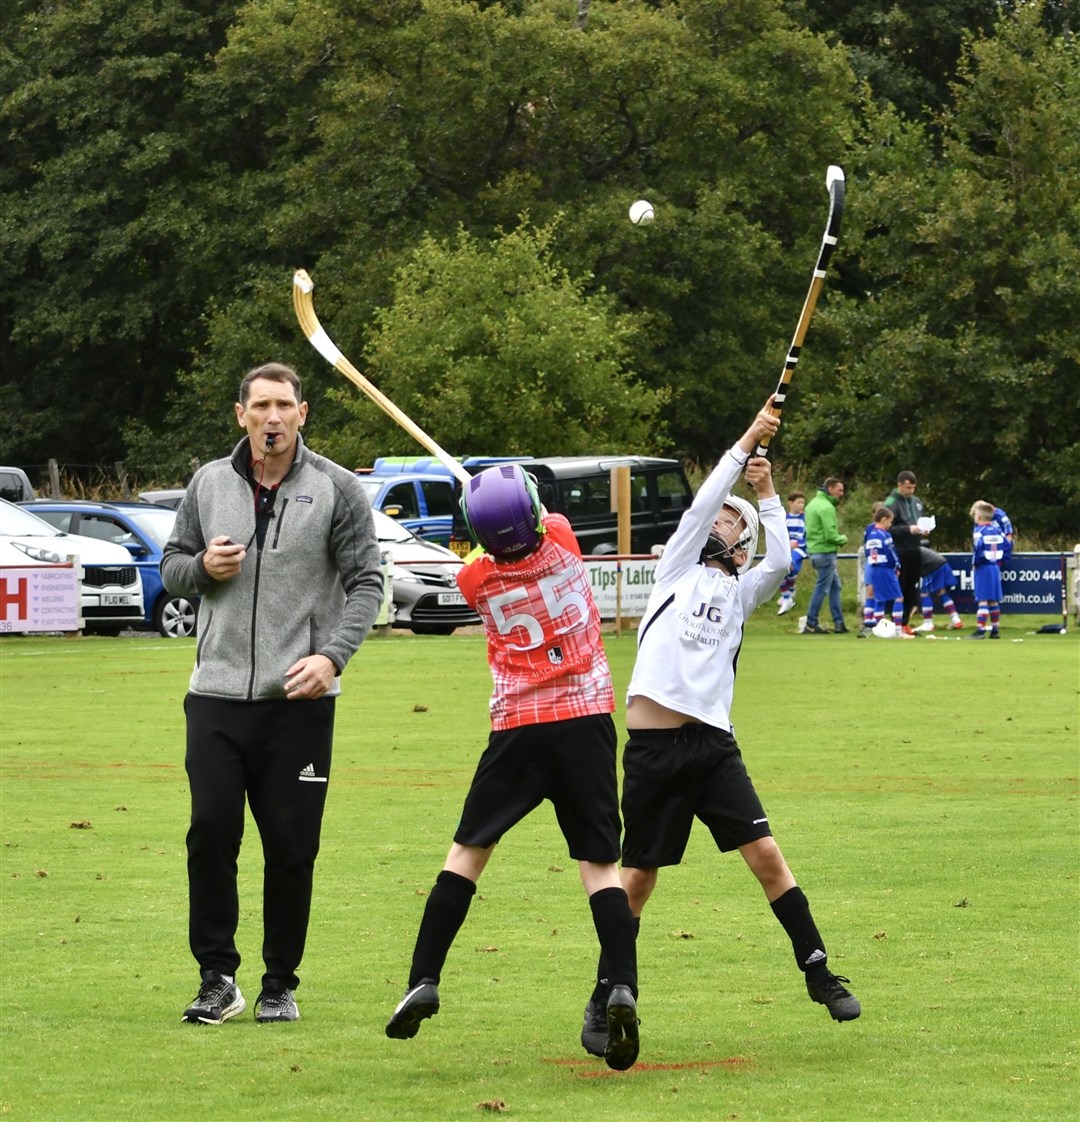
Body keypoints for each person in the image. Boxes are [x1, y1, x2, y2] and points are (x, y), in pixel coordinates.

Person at [579, 400, 860, 1060]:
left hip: (712, 747)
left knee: (767, 859)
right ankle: (607, 995)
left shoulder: (742, 590)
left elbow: (785, 555)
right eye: (722, 513)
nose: (721, 519)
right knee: (638, 881)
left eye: (735, 520)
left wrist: (765, 492)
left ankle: (818, 971)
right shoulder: (676, 566)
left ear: (741, 542)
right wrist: (744, 444)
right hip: (653, 749)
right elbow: (704, 501)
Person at [384, 464, 640, 1072]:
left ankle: (423, 977)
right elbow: (541, 514)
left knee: (467, 854)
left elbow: (485, 541)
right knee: (600, 866)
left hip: (517, 729)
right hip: (584, 722)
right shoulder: (565, 542)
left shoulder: (476, 578)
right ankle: (623, 985)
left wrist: (482, 508)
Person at [161, 362, 385, 1026]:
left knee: (291, 846)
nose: (272, 417)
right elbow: (172, 565)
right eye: (260, 406)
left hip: (299, 705)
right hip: (216, 697)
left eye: (284, 405)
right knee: (211, 833)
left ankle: (279, 983)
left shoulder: (338, 489)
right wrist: (201, 569)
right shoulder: (206, 484)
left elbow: (367, 584)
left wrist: (330, 656)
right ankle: (216, 978)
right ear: (241, 415)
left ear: (302, 413)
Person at [883, 471, 930, 633]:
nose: (911, 491)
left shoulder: (916, 502)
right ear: (899, 485)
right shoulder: (890, 503)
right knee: (900, 586)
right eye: (908, 488)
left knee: (912, 586)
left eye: (913, 488)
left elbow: (920, 520)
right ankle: (895, 621)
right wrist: (908, 529)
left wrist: (923, 529)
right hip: (899, 549)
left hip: (915, 548)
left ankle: (905, 623)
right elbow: (887, 528)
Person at [803, 477, 849, 634]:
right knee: (822, 589)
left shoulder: (812, 505)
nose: (841, 494)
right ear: (830, 488)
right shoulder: (826, 507)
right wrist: (843, 539)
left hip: (814, 550)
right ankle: (811, 622)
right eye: (839, 490)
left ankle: (839, 623)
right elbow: (830, 535)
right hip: (826, 552)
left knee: (835, 586)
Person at [861, 505, 906, 637]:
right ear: (884, 519)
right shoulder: (885, 535)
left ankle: (877, 628)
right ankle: (898, 630)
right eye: (890, 521)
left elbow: (867, 551)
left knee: (879, 598)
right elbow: (891, 553)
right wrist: (896, 566)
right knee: (899, 598)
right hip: (885, 568)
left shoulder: (871, 533)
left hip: (873, 567)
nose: (890, 524)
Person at [969, 500, 1005, 639]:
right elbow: (1006, 545)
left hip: (983, 566)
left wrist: (975, 562)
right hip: (995, 566)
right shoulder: (997, 530)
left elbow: (978, 549)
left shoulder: (979, 531)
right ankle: (995, 629)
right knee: (993, 600)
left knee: (983, 598)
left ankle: (980, 630)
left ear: (978, 516)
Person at [914, 546, 964, 632]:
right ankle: (956, 620)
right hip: (942, 563)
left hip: (932, 566)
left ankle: (928, 623)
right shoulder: (911, 547)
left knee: (925, 593)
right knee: (941, 592)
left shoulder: (906, 551)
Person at [776, 491, 806, 616]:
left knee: (789, 566)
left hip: (799, 549)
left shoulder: (805, 518)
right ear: (790, 503)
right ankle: (788, 596)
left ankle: (787, 597)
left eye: (803, 503)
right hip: (786, 549)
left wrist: (797, 544)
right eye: (799, 502)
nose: (801, 505)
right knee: (780, 570)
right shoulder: (785, 518)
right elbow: (780, 535)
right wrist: (787, 545)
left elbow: (807, 535)